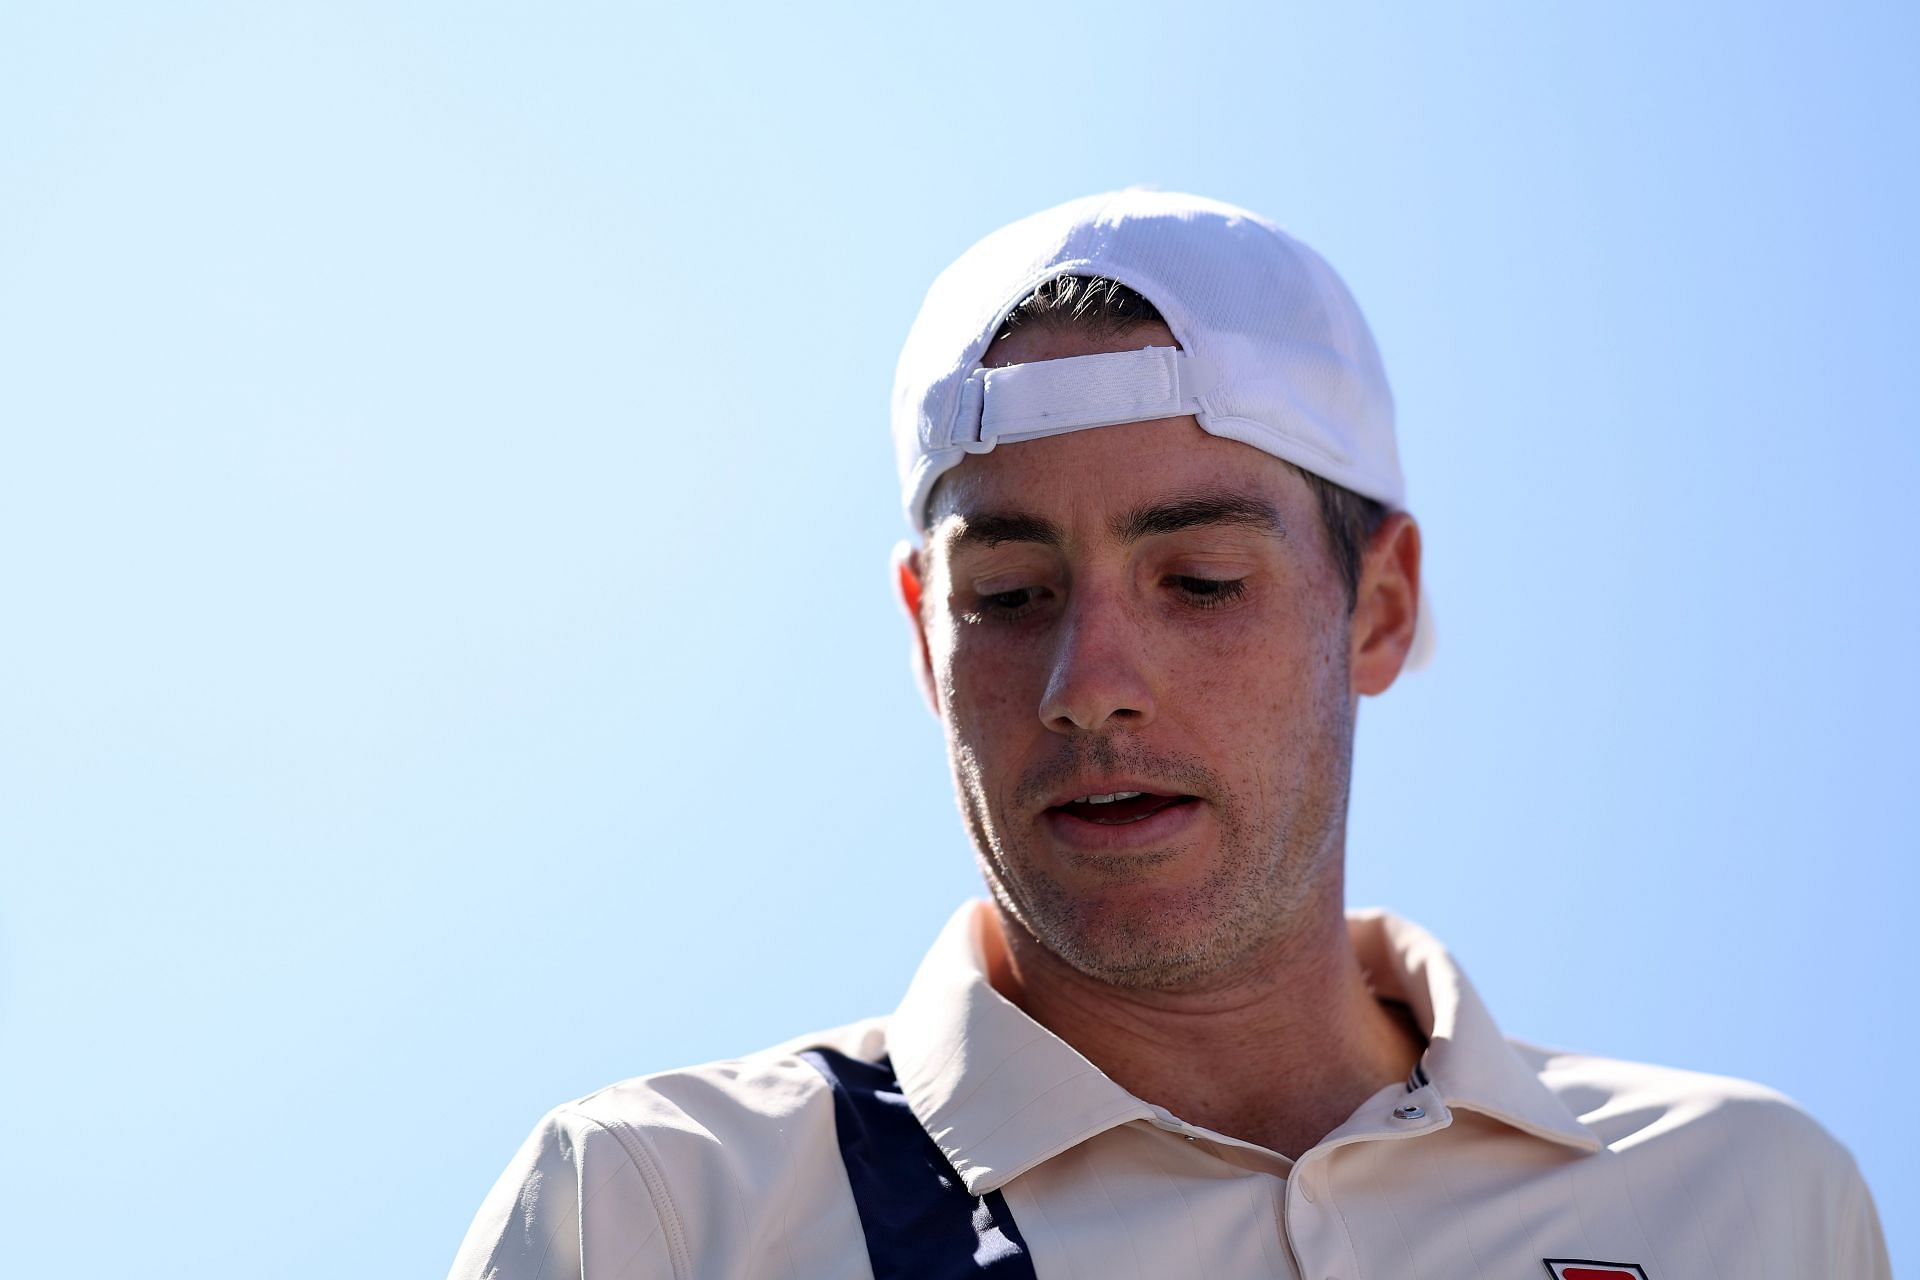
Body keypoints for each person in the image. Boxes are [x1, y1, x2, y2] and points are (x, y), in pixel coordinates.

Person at [447, 190, 1889, 1279]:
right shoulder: (659, 1210)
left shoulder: (1748, 1202)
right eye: (1009, 595)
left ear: (1378, 608)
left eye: (1199, 582)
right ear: (921, 639)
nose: (1092, 683)